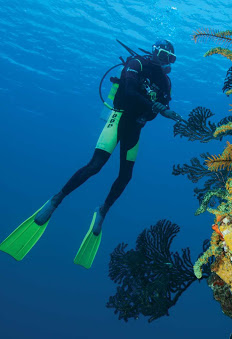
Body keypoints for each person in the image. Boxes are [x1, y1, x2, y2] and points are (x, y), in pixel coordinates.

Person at [0, 39, 183, 268]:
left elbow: (159, 110)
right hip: (118, 118)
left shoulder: (165, 82)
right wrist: (154, 106)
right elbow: (128, 90)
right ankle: (57, 199)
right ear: (154, 51)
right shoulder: (136, 63)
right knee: (95, 166)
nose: (165, 61)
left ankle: (103, 211)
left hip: (135, 127)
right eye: (163, 55)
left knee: (126, 176)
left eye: (170, 58)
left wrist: (155, 111)